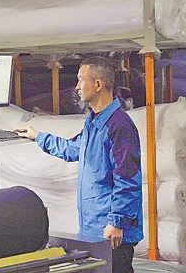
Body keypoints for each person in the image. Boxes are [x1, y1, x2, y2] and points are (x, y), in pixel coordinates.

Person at [16, 56, 143, 273]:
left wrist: (117, 222)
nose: (76, 87)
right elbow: (73, 148)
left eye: (80, 80)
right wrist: (38, 136)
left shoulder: (119, 126)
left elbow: (128, 179)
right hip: (93, 228)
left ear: (98, 84)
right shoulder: (94, 122)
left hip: (111, 231)